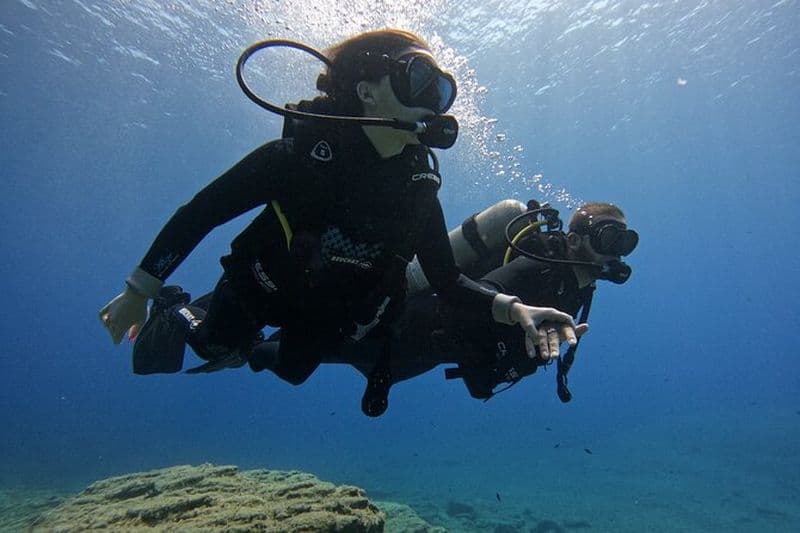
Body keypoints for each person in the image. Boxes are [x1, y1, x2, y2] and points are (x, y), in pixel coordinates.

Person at [98, 29, 578, 387]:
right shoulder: (299, 158)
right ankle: (175, 306)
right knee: (215, 347)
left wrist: (516, 311)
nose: (433, 103)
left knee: (285, 366)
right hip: (261, 286)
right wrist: (141, 288)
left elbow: (447, 280)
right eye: (418, 81)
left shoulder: (418, 186)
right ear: (367, 92)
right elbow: (201, 213)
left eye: (441, 91)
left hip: (327, 313)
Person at [241, 200, 638, 415]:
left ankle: (249, 336)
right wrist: (520, 313)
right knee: (293, 352)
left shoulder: (577, 287)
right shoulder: (541, 266)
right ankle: (238, 335)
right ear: (573, 240)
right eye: (607, 238)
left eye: (623, 241)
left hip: (420, 352)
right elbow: (483, 289)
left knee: (315, 348)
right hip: (403, 333)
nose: (614, 252)